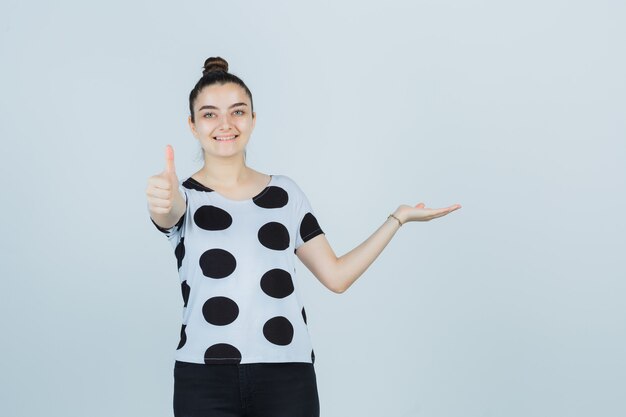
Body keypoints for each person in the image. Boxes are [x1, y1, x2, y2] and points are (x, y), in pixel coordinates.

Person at [146, 56, 461, 417]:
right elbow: (166, 213)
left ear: (252, 119)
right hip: (203, 379)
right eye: (209, 114)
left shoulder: (286, 195)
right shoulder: (183, 197)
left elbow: (337, 277)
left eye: (237, 111)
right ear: (192, 125)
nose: (225, 124)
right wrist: (163, 200)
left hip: (287, 375)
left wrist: (398, 218)